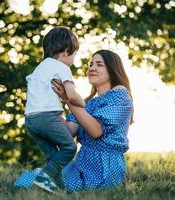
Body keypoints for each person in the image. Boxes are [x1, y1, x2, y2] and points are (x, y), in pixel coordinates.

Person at [14, 49, 133, 193]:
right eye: (91, 64)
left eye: (99, 64)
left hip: (105, 166)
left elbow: (96, 131)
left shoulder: (120, 94)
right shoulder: (86, 103)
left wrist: (68, 100)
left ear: (112, 69)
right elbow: (69, 131)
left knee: (68, 187)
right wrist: (49, 108)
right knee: (26, 180)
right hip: (81, 164)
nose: (92, 68)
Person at [22, 26, 85, 193]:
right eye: (74, 55)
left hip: (30, 120)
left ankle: (55, 187)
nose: (73, 60)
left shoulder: (40, 67)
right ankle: (44, 177)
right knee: (69, 148)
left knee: (52, 156)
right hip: (47, 118)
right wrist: (83, 103)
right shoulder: (62, 68)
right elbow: (71, 95)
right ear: (65, 52)